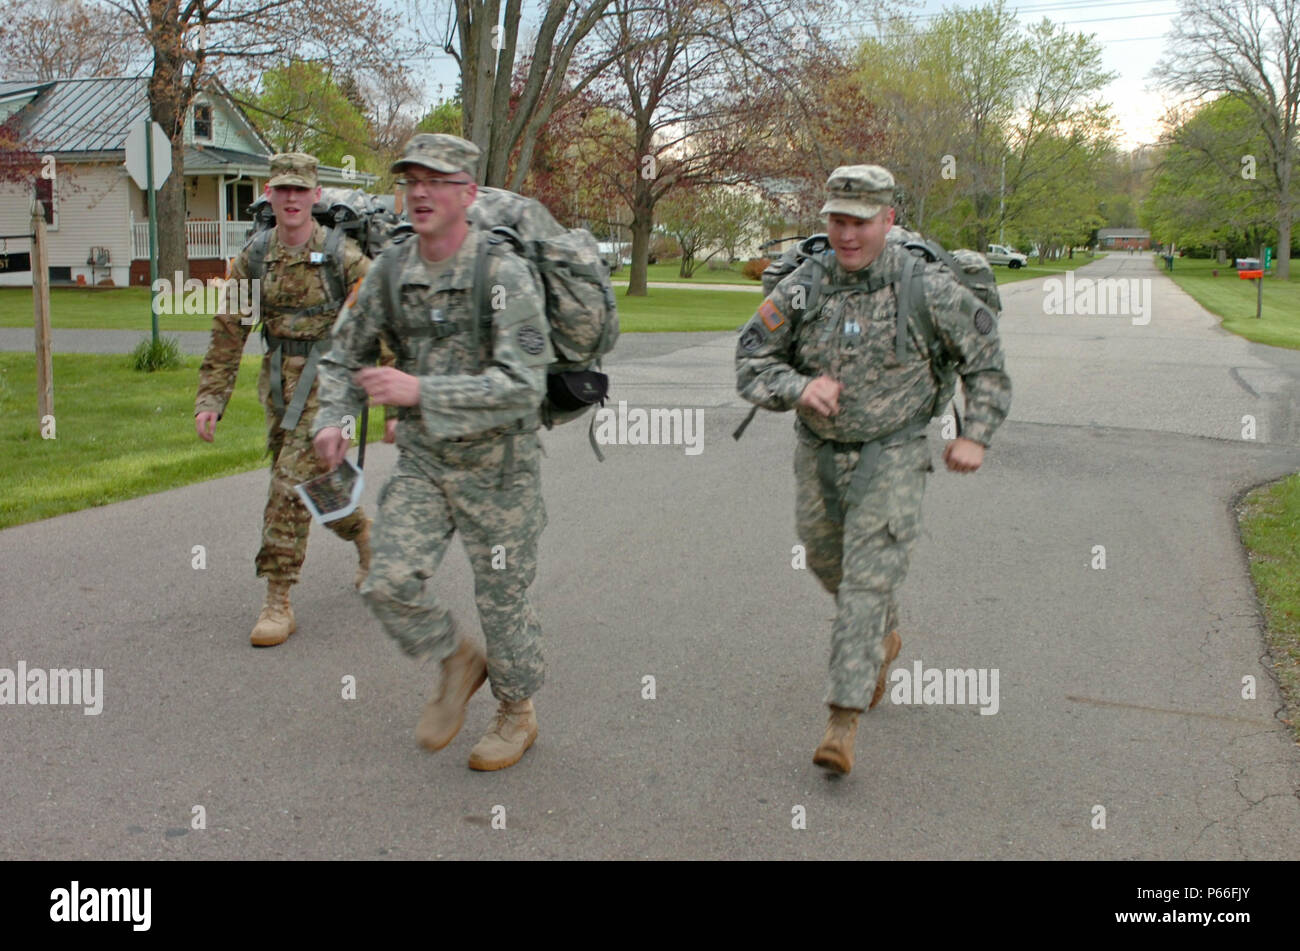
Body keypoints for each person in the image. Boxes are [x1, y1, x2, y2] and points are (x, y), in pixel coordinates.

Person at [735, 165, 1012, 775]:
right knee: (823, 560)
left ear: (888, 219)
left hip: (894, 453)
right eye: (837, 220)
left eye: (860, 221)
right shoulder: (805, 286)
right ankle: (884, 635)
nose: (847, 234)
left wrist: (976, 434)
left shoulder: (928, 288)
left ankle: (842, 719)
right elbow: (751, 361)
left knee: (862, 587)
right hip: (818, 455)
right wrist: (799, 387)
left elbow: (986, 365)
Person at [312, 133, 554, 772]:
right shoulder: (391, 269)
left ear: (467, 193)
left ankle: (516, 712)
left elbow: (525, 384)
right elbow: (344, 354)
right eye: (410, 178)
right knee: (387, 580)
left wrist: (420, 389)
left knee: (502, 600)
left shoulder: (503, 274)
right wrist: (335, 418)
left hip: (499, 469)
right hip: (424, 461)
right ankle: (455, 660)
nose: (419, 191)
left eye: (436, 180)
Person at [196, 152, 390, 648]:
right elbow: (228, 331)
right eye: (282, 189)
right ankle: (362, 531)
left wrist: (396, 404)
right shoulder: (255, 259)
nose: (291, 198)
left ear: (315, 195)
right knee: (313, 482)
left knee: (287, 483)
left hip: (333, 387)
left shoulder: (345, 258)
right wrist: (211, 398)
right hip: (279, 385)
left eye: (300, 190)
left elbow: (380, 327)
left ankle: (277, 598)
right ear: (269, 193)